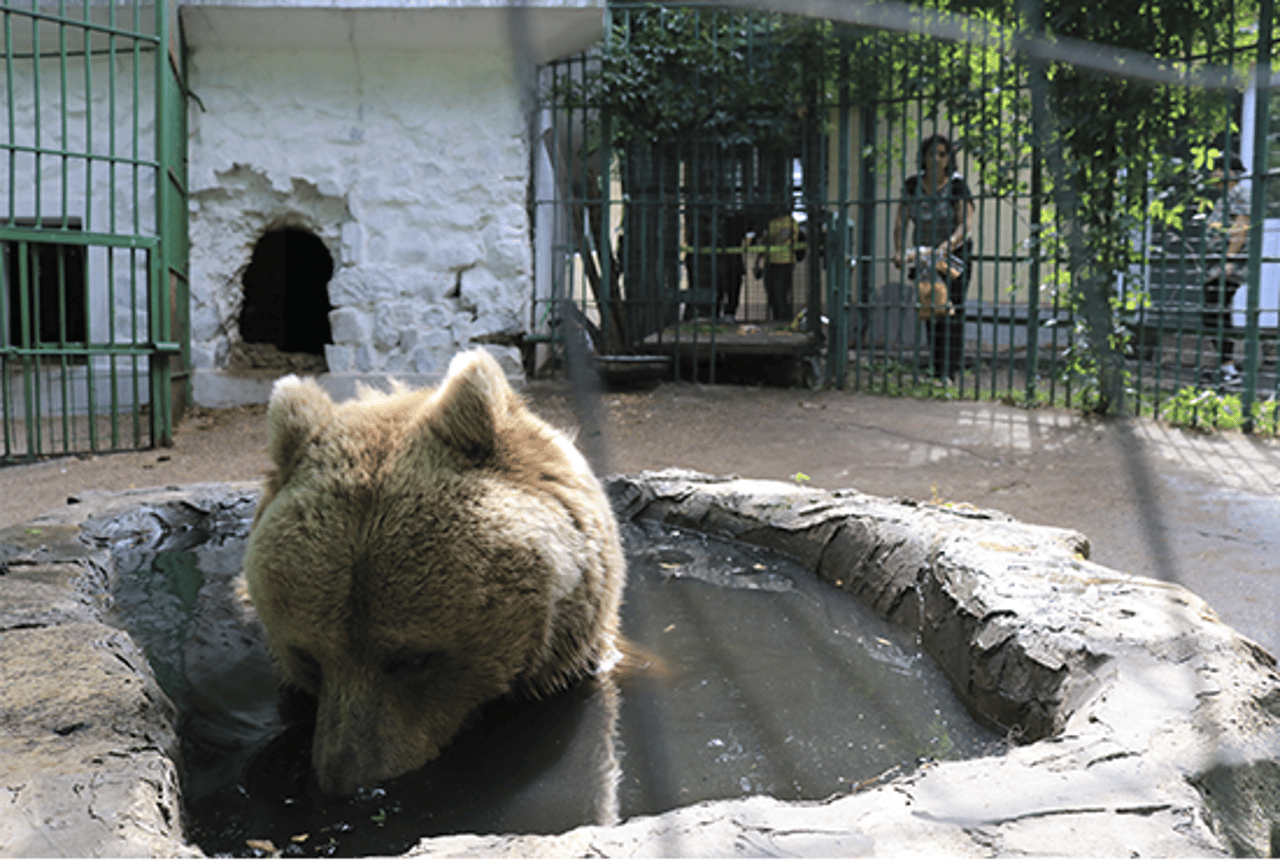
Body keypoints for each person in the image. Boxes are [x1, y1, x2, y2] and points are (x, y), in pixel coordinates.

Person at [892, 134, 975, 384]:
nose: (936, 159)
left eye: (942, 154)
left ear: (949, 159)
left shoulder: (958, 185)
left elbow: (965, 223)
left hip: (954, 256)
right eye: (931, 154)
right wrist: (898, 250)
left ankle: (949, 371)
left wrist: (948, 244)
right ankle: (937, 368)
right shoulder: (912, 185)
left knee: (951, 310)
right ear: (923, 158)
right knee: (932, 309)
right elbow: (900, 220)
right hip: (926, 255)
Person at [1202, 153, 1249, 387]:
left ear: (1228, 171)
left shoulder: (1239, 193)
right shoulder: (1226, 197)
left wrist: (1229, 259)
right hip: (1218, 263)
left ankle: (1229, 370)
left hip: (1229, 265)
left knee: (1214, 312)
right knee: (1215, 312)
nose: (1212, 175)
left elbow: (1241, 227)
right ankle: (1226, 368)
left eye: (1215, 169)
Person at [755, 209, 804, 322]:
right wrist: (757, 261)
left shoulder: (790, 221)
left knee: (780, 295)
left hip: (784, 263)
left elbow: (781, 237)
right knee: (771, 295)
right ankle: (777, 321)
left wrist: (769, 243)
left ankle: (785, 322)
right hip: (769, 262)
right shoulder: (772, 222)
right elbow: (764, 241)